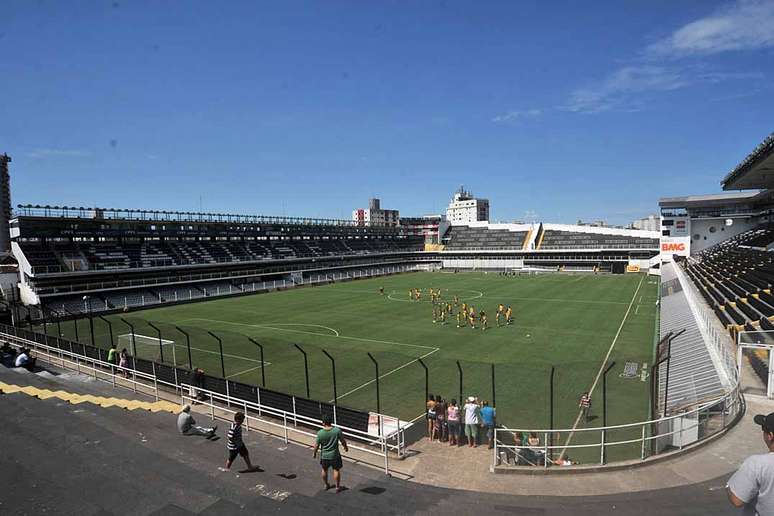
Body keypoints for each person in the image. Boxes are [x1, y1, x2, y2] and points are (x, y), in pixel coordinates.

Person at [727, 412, 774, 514]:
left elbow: (737, 500)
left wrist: (729, 488)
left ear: (770, 435)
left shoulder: (757, 464)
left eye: (763, 429)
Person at [313, 413, 349, 493]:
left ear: (323, 423)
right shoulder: (337, 431)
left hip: (325, 456)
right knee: (336, 470)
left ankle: (326, 485)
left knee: (324, 470)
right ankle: (337, 487)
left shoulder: (320, 433)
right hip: (335, 455)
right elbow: (343, 441)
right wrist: (345, 447)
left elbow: (316, 445)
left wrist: (314, 453)